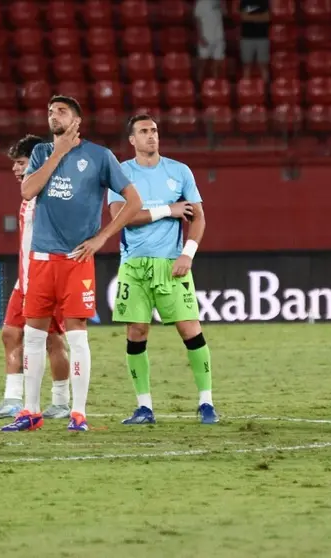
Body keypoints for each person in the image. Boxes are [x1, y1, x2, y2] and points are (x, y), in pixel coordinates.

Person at [1, 95, 142, 433]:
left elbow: (134, 201)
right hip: (41, 259)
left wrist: (102, 237)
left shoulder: (99, 156)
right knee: (33, 337)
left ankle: (78, 413)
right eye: (50, 111)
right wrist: (59, 152)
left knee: (77, 338)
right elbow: (28, 190)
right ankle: (30, 411)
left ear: (78, 120)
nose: (53, 115)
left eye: (61, 111)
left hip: (76, 260)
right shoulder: (40, 153)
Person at [110, 115, 218, 425]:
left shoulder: (179, 171)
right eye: (143, 131)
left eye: (154, 130)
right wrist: (167, 210)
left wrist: (188, 252)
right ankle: (144, 407)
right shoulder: (121, 174)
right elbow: (121, 217)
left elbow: (198, 216)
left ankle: (206, 402)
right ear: (132, 140)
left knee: (189, 329)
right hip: (133, 266)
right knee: (136, 331)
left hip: (172, 265)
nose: (151, 136)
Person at [0, 135, 72, 420]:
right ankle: (12, 399)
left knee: (53, 341)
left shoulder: (53, 196)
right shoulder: (29, 195)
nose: (15, 169)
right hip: (25, 281)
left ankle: (60, 401)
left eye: (21, 163)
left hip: (47, 279)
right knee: (10, 334)